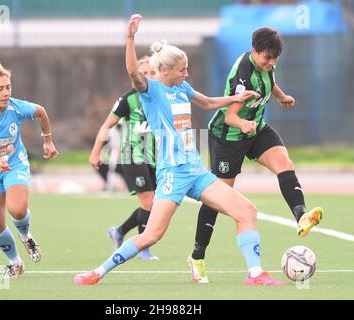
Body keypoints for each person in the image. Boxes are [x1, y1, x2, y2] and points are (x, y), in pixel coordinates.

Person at [74, 14, 284, 286]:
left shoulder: (181, 87)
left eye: (187, 69)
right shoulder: (150, 91)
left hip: (196, 171)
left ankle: (255, 275)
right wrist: (130, 38)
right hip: (172, 174)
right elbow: (132, 72)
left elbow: (207, 102)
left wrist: (235, 97)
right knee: (151, 235)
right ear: (165, 70)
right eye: (182, 70)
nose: (187, 74)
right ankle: (97, 273)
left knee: (246, 211)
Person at [187, 27, 323, 283]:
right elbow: (230, 116)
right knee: (217, 198)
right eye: (267, 58)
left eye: (275, 59)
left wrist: (281, 96)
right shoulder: (244, 78)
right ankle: (197, 257)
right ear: (254, 51)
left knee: (284, 162)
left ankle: (301, 215)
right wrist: (243, 125)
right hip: (229, 135)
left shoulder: (267, 64)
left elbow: (270, 81)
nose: (271, 63)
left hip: (256, 129)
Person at [0, 56, 59, 279]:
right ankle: (15, 263)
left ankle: (26, 236)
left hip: (14, 163)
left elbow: (41, 112)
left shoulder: (17, 107)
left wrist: (47, 140)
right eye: (0, 89)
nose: (6, 93)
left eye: (8, 87)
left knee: (17, 209)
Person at [89, 56, 159, 260]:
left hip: (153, 157)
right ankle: (142, 248)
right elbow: (106, 126)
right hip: (132, 155)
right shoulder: (128, 99)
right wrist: (95, 152)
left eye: (153, 72)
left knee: (153, 203)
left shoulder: (159, 97)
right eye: (144, 73)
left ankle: (119, 231)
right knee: (149, 201)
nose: (149, 76)